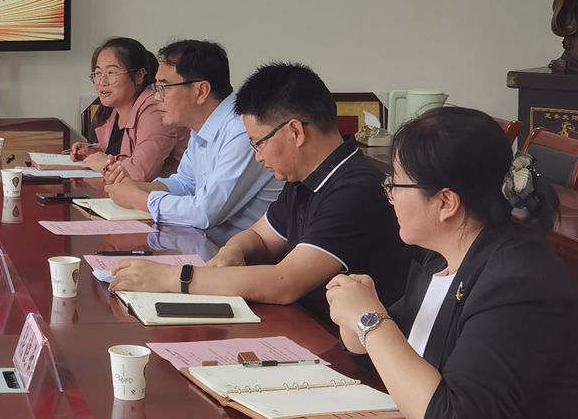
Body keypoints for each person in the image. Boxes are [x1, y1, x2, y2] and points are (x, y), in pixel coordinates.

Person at [324, 106, 578, 419]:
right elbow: (388, 359)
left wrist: (371, 320)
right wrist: (357, 317)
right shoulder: (441, 260)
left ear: (445, 202)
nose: (390, 195)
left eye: (396, 184)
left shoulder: (520, 282)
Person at [111, 62, 415, 323]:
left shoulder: (355, 189)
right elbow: (259, 236)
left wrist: (169, 278)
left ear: (295, 132)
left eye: (258, 143)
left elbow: (285, 282)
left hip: (347, 348)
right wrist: (234, 251)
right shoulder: (303, 180)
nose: (257, 156)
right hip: (304, 325)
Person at [100, 40, 281, 235]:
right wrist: (132, 187)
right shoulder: (202, 126)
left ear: (201, 91)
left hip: (241, 250)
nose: (156, 97)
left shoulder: (242, 129)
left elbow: (205, 212)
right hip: (204, 242)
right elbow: (184, 184)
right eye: (156, 87)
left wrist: (137, 198)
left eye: (164, 87)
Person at [70, 37, 187, 179]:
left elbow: (140, 174)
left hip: (159, 192)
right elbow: (115, 152)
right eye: (98, 73)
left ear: (139, 76)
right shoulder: (117, 108)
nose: (102, 82)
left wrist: (104, 164)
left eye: (111, 72)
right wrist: (92, 152)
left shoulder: (155, 108)